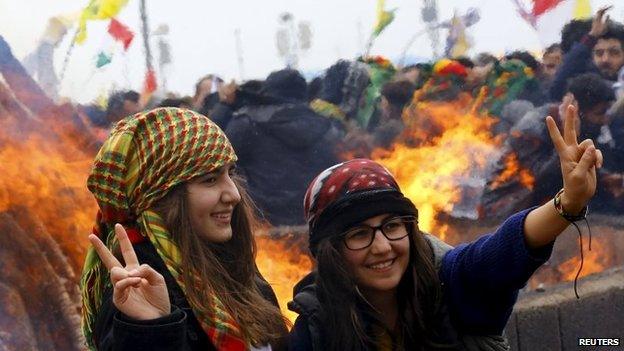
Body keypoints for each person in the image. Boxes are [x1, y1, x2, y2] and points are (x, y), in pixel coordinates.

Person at [288, 105, 602, 350]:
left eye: (392, 226)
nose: (382, 246)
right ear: (331, 251)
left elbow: (502, 252)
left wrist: (568, 204)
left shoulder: (450, 286)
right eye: (359, 234)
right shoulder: (315, 330)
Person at [80, 107, 288, 350]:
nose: (233, 194)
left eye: (230, 173)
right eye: (209, 180)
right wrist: (150, 332)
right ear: (160, 198)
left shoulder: (231, 264)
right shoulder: (135, 293)